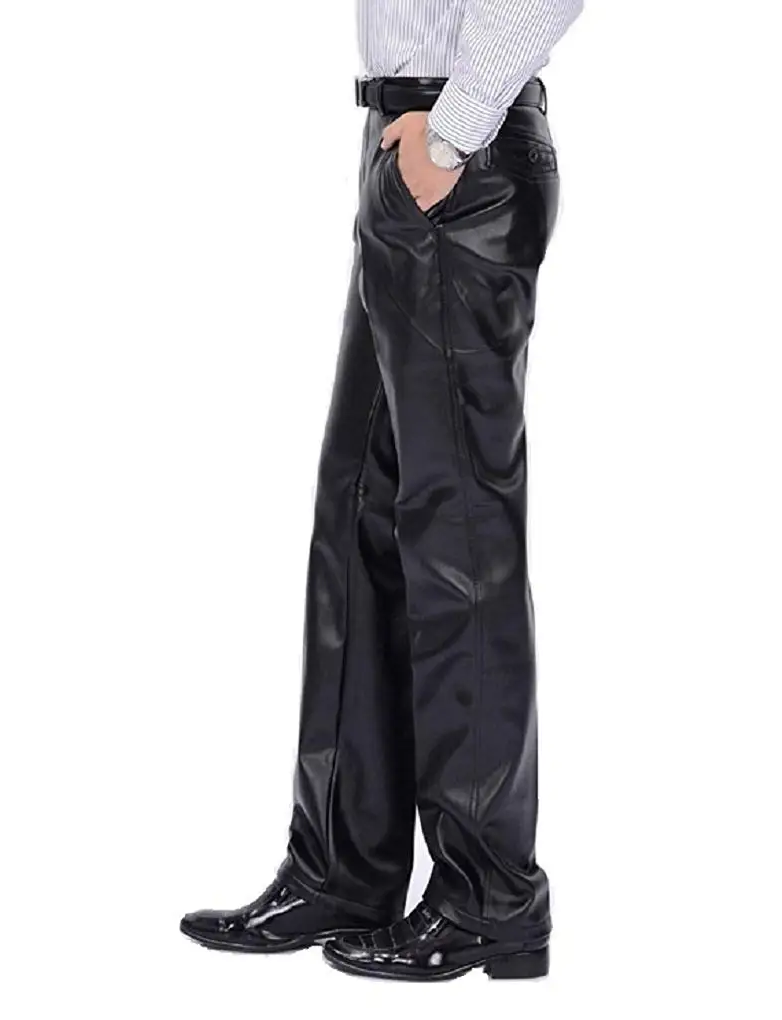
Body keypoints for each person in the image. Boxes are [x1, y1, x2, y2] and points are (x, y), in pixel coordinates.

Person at [180, 0, 582, 982]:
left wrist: (450, 132)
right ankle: (342, 870)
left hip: (458, 154)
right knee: (359, 518)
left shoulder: (453, 138)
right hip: (413, 150)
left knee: (459, 541)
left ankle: (489, 896)